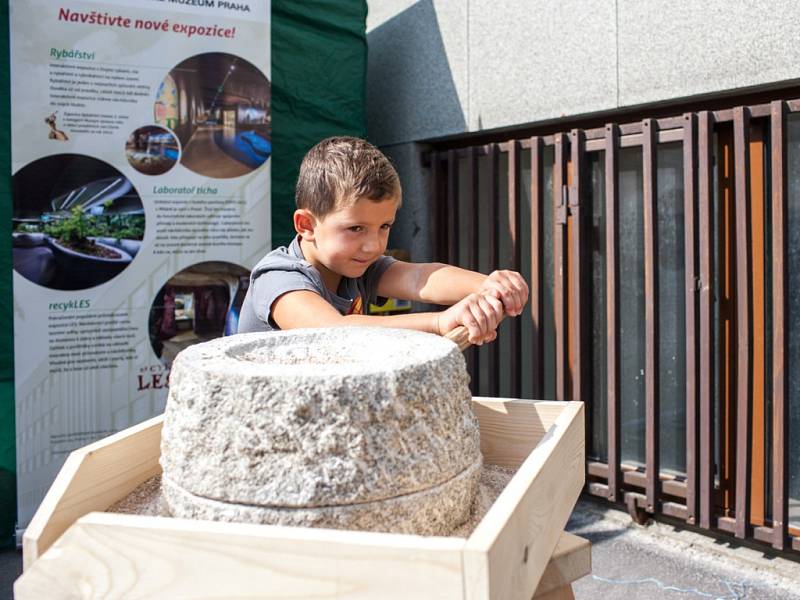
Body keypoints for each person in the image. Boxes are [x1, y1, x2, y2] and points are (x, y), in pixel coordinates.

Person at [237, 137, 528, 344]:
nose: (374, 245)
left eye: (384, 226)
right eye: (355, 228)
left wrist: (487, 285)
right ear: (307, 225)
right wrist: (439, 322)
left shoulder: (358, 266)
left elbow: (418, 278)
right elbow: (332, 331)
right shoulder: (278, 278)